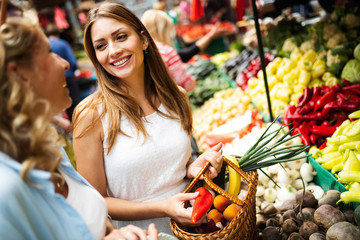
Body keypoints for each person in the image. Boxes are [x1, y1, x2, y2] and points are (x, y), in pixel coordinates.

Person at [0, 16, 158, 240]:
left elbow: (90, 220)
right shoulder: (6, 192)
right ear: (21, 74)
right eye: (48, 53)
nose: (65, 64)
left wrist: (114, 235)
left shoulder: (50, 150)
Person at [72, 2, 223, 236]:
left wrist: (192, 168)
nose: (113, 51)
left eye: (121, 37)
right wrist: (162, 208)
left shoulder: (177, 97)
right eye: (101, 46)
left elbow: (169, 169)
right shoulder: (91, 115)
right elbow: (95, 201)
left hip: (196, 228)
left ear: (143, 40)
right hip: (143, 234)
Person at [45, 23, 81, 121]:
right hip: (68, 77)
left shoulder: (45, 44)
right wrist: (73, 71)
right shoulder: (63, 43)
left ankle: (71, 124)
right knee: (75, 103)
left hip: (54, 80)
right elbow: (72, 62)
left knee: (64, 106)